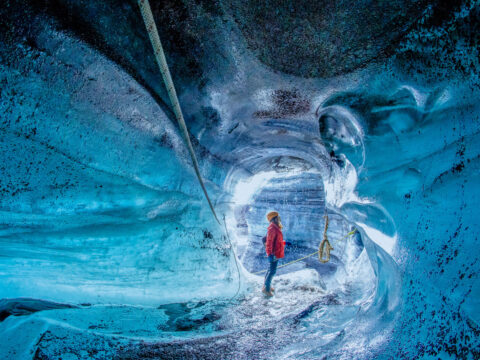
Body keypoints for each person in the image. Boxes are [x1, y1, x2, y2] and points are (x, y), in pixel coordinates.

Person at [262, 211, 286, 297]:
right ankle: (266, 289)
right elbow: (269, 242)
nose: (279, 218)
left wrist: (284, 243)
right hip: (274, 253)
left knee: (270, 270)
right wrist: (270, 254)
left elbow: (277, 241)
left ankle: (266, 286)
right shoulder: (272, 228)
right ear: (274, 218)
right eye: (277, 217)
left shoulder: (275, 227)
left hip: (276, 252)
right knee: (272, 271)